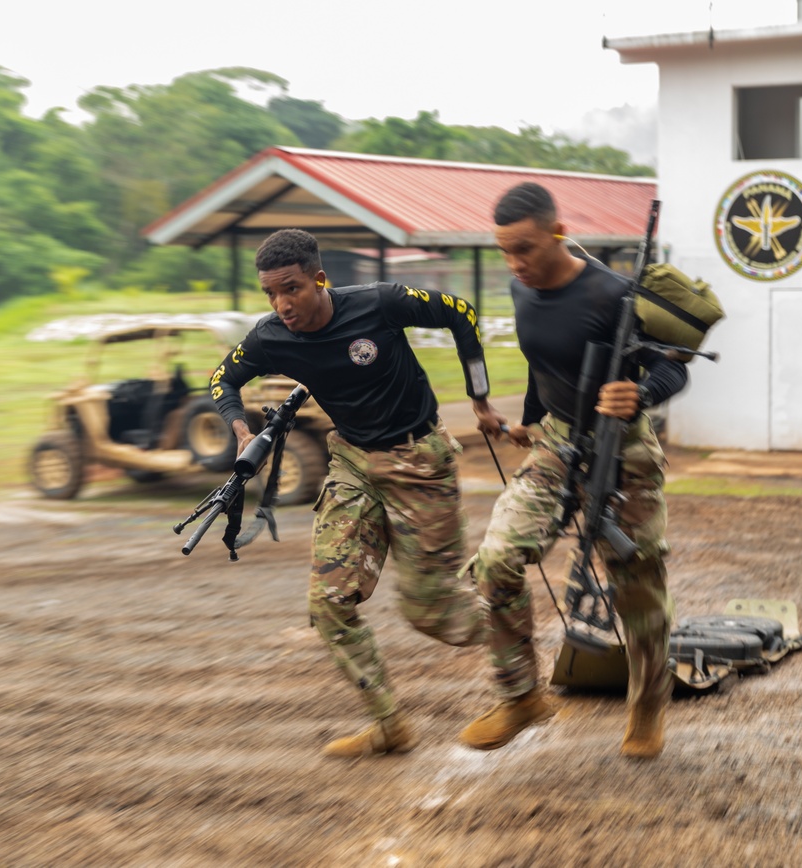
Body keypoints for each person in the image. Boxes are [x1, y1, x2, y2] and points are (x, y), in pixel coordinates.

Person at [210, 228, 506, 758]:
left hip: (419, 460)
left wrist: (479, 398)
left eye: (293, 289)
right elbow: (221, 380)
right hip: (351, 464)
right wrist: (239, 430)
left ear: (318, 279)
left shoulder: (379, 303)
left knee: (433, 611)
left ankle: (517, 637)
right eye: (271, 294)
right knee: (328, 604)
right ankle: (389, 724)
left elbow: (460, 311)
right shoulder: (269, 336)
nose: (283, 304)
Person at [458, 182, 689, 758]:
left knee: (638, 577)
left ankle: (647, 704)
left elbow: (676, 370)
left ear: (558, 232)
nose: (516, 264)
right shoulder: (520, 290)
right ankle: (521, 697)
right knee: (496, 561)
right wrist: (529, 424)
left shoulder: (614, 295)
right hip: (558, 440)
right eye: (506, 251)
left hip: (624, 443)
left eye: (527, 249)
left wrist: (639, 392)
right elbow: (541, 364)